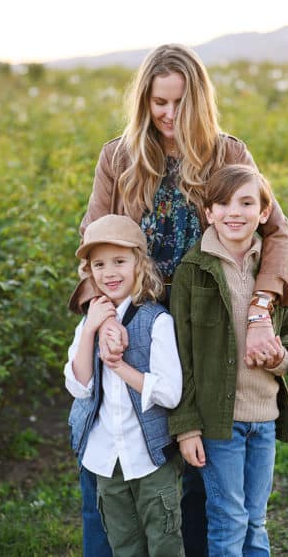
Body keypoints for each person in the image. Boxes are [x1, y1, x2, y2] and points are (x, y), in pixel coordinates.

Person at [67, 44, 288, 556]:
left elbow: (278, 234)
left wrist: (260, 310)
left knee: (197, 463)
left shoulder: (229, 154)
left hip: (206, 328)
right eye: (157, 103)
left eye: (179, 103)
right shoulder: (119, 156)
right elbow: (92, 242)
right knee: (111, 452)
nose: (168, 115)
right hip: (137, 324)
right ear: (144, 102)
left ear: (199, 100)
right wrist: (101, 317)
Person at [168, 164, 288, 556]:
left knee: (256, 519)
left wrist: (282, 357)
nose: (235, 211)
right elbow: (183, 359)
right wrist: (186, 428)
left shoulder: (274, 273)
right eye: (224, 202)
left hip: (263, 419)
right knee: (229, 519)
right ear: (208, 212)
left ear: (264, 213)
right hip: (219, 424)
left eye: (247, 202)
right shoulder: (192, 273)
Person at [64, 214, 184, 555]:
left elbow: (170, 392)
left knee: (163, 541)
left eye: (119, 261)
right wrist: (90, 330)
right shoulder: (91, 320)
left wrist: (119, 367)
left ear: (139, 263)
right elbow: (79, 386)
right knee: (125, 545)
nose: (109, 272)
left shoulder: (156, 320)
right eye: (99, 264)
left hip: (148, 456)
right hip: (106, 456)